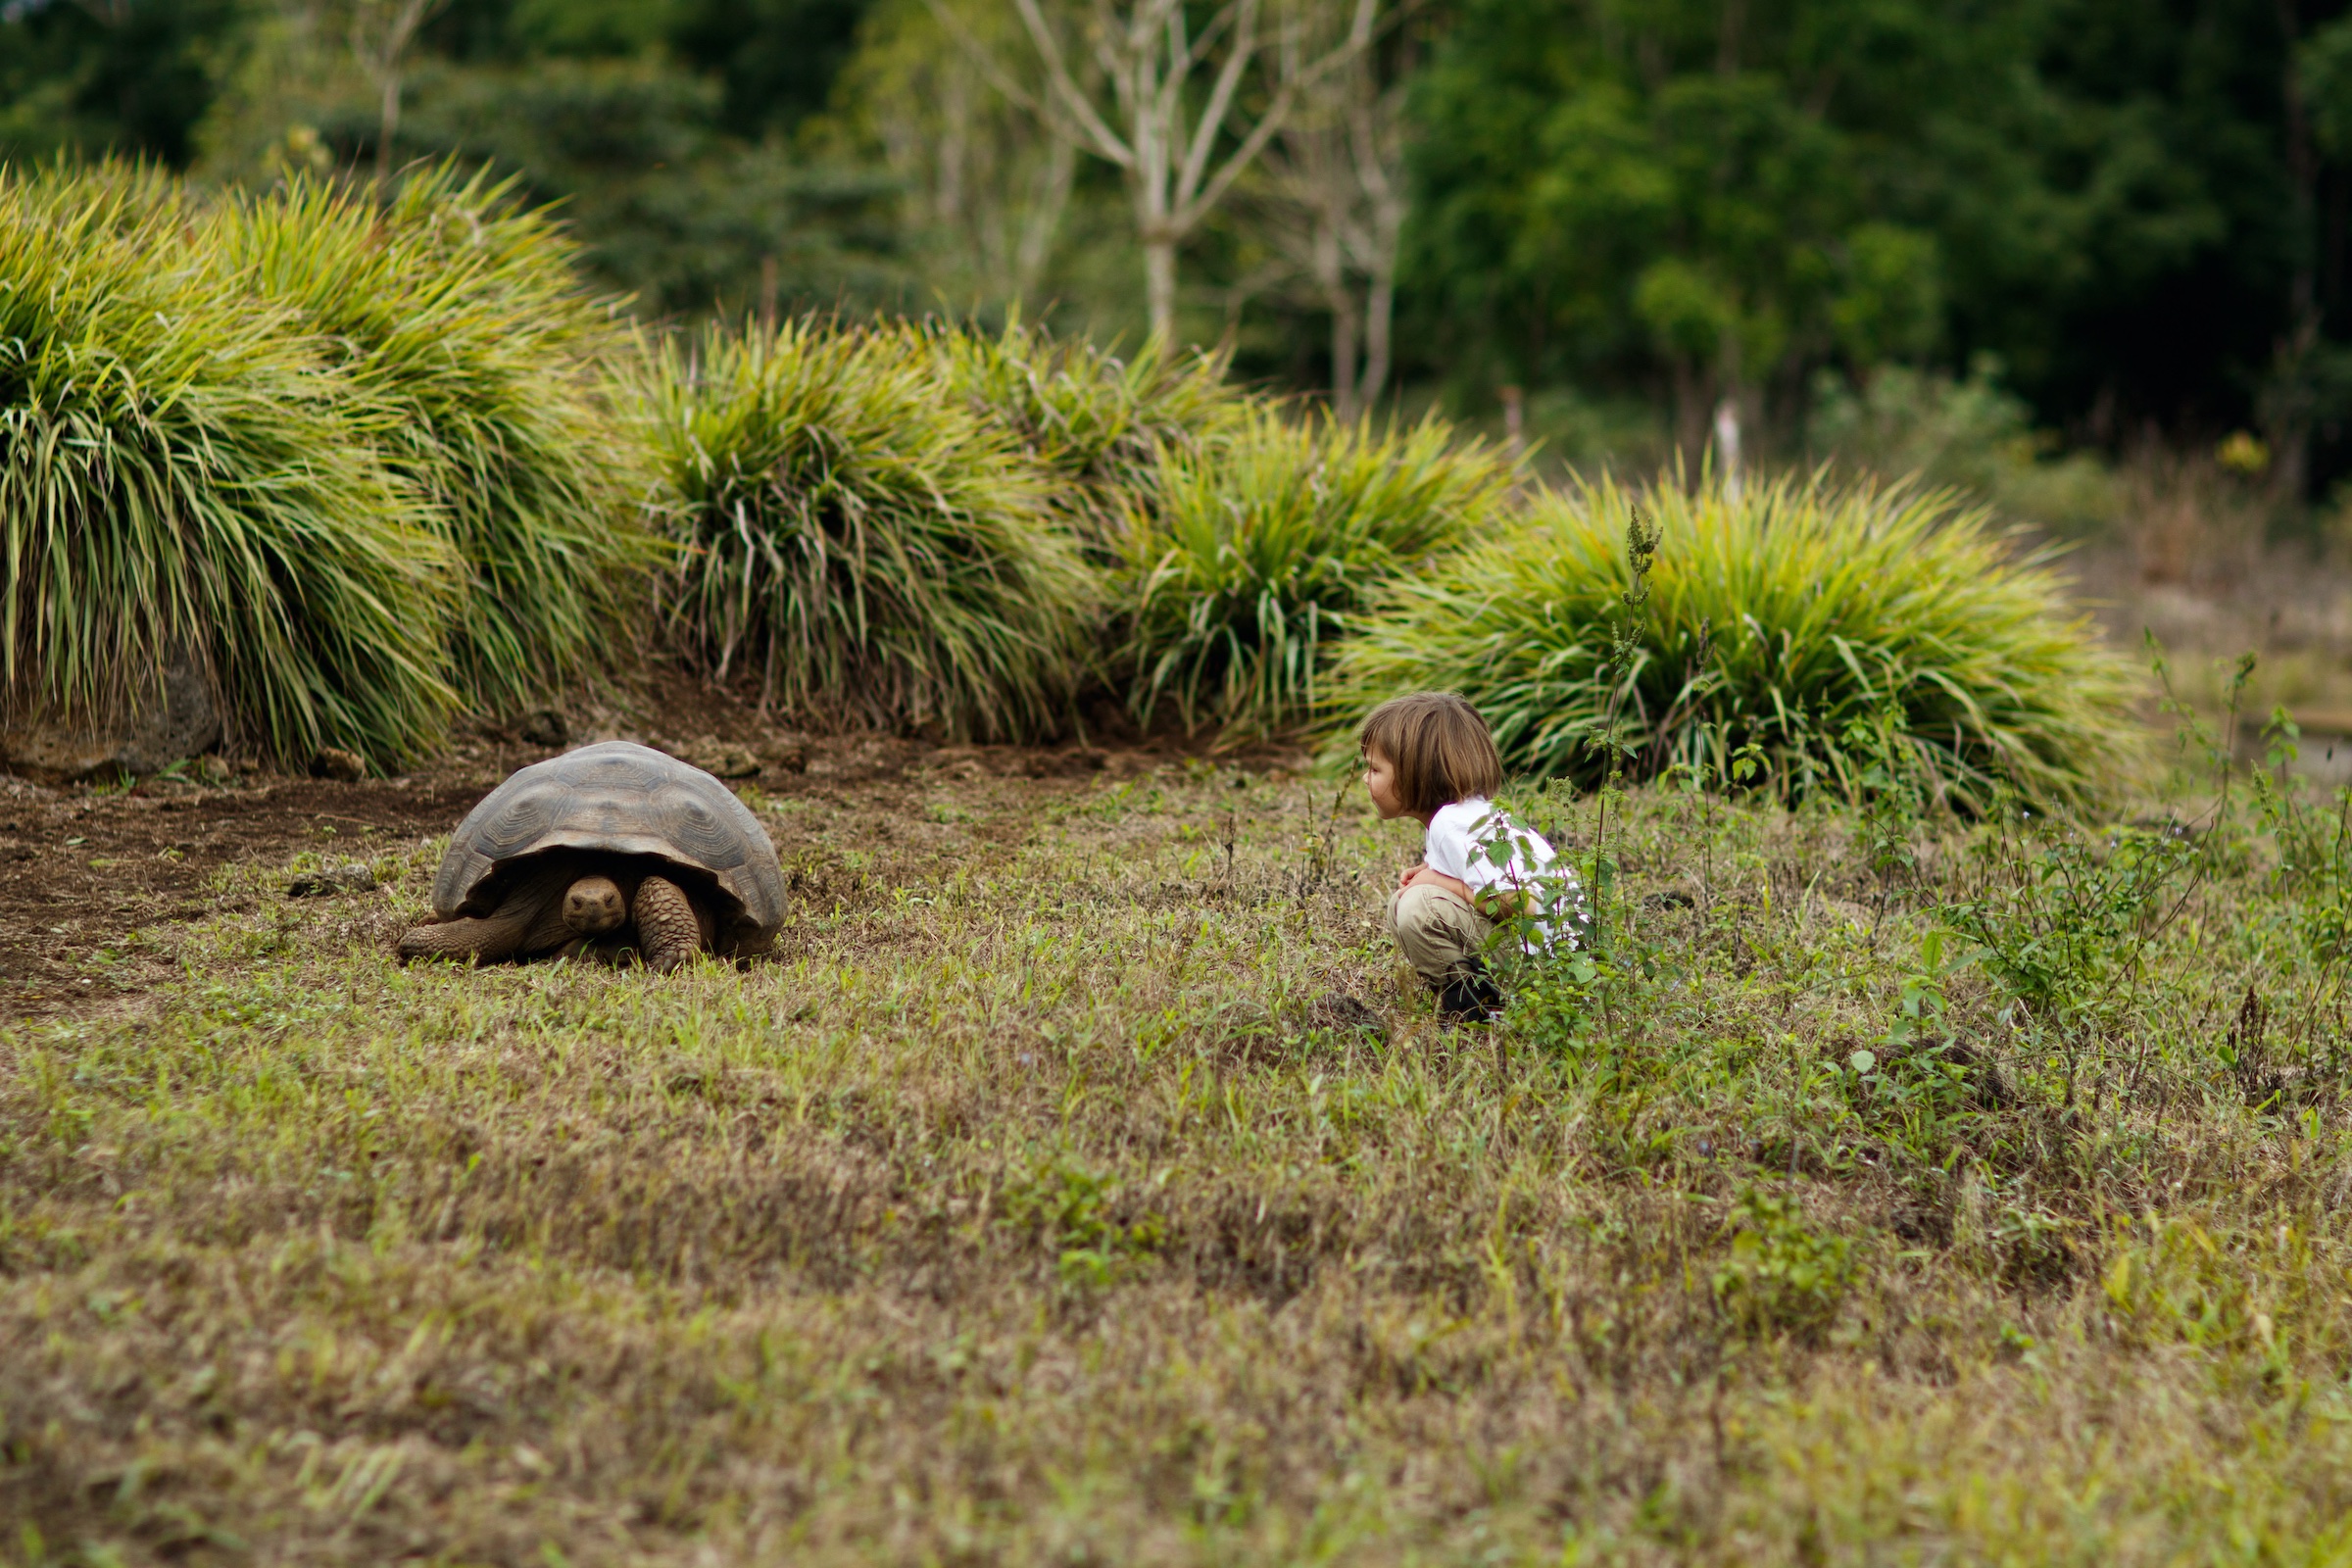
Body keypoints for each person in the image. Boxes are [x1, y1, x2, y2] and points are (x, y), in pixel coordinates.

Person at [1358, 691, 1581, 1023]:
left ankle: (1477, 1009)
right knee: (1403, 902)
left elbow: (1518, 902)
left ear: (1413, 774)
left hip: (1551, 968)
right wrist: (1433, 870)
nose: (1365, 777)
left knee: (1418, 906)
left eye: (1375, 769)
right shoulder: (1462, 817)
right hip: (1561, 963)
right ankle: (1485, 999)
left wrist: (1437, 880)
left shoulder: (1452, 824)